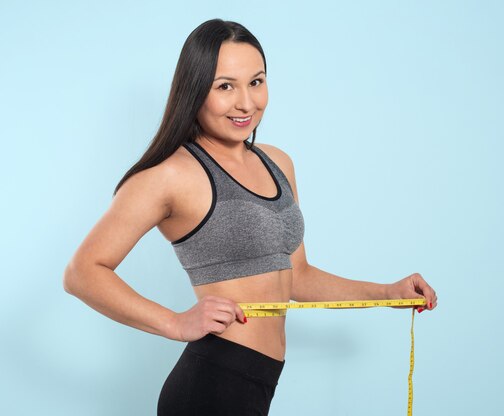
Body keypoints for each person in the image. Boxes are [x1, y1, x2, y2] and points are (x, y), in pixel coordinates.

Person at [62, 18, 438, 416]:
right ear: (195, 91)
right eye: (225, 86)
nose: (246, 102)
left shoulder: (278, 163)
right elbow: (82, 272)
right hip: (211, 386)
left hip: (260, 382)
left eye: (256, 82)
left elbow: (299, 276)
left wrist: (387, 293)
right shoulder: (171, 175)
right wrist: (174, 323)